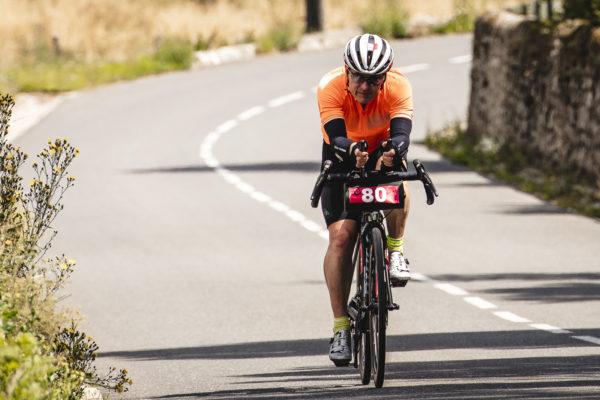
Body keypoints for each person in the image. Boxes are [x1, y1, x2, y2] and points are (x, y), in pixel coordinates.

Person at [316, 33, 414, 366]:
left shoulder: (399, 86)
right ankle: (341, 327)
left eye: (374, 79)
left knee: (399, 178)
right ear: (346, 71)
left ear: (386, 76)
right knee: (342, 238)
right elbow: (336, 136)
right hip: (342, 154)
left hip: (382, 150)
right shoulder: (329, 86)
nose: (365, 86)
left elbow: (401, 134)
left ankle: (395, 251)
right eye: (358, 77)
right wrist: (353, 152)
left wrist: (394, 150)